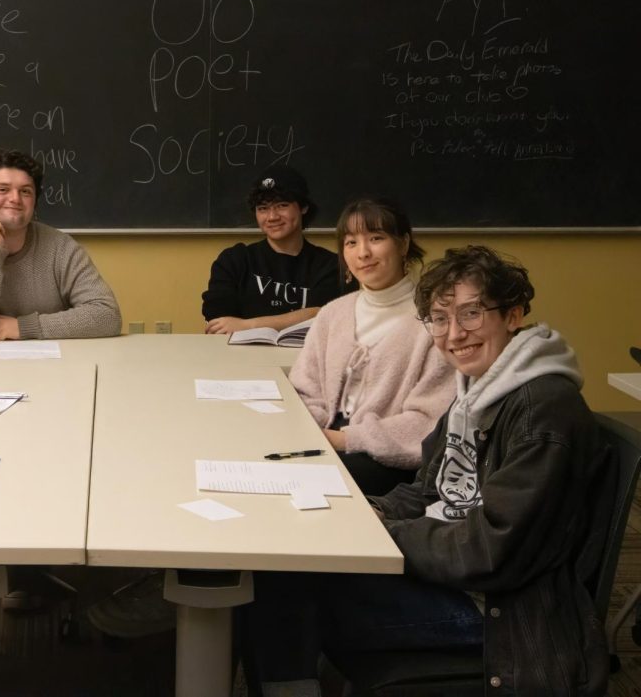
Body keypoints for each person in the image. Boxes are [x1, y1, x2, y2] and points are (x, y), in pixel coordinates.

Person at [244, 245, 610, 697]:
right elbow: (427, 489)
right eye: (440, 319)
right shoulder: (479, 389)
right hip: (451, 575)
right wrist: (366, 514)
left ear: (513, 316)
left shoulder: (541, 411)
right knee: (286, 563)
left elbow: (491, 550)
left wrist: (386, 536)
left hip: (496, 609)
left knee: (288, 589)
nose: (454, 334)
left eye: (471, 313)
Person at [289, 198, 453, 495]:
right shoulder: (333, 313)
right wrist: (310, 430)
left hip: (387, 459)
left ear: (403, 244)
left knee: (301, 484)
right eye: (351, 243)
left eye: (376, 239)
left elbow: (429, 422)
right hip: (325, 436)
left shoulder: (435, 320)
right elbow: (305, 390)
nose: (363, 253)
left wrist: (345, 439)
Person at [0, 148, 122, 343]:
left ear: (34, 202)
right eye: (2, 189)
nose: (15, 199)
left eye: (25, 191)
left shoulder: (61, 247)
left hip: (55, 367)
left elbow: (107, 316)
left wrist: (25, 327)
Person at [202, 166, 352, 335]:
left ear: (303, 207)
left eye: (282, 205)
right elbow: (218, 323)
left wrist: (247, 325)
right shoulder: (234, 260)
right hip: (242, 358)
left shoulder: (333, 265)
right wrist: (303, 316)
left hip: (310, 358)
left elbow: (328, 316)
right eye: (263, 208)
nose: (272, 217)